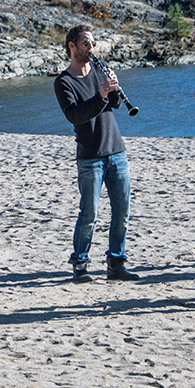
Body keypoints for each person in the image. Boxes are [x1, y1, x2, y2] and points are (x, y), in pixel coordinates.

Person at [54, 24, 138, 283]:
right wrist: (101, 95)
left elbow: (111, 106)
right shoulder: (63, 82)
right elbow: (75, 115)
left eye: (92, 43)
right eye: (85, 44)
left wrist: (112, 89)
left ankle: (116, 263)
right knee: (89, 213)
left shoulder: (98, 71)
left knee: (122, 211)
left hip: (116, 150)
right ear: (72, 46)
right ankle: (80, 264)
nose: (92, 48)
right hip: (90, 155)